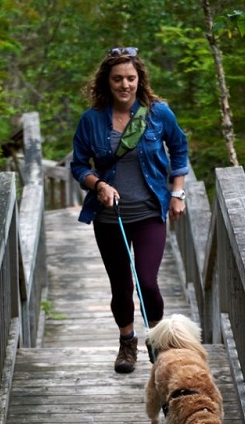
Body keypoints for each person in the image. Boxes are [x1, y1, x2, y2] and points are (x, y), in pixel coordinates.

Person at [70, 46, 190, 373]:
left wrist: (178, 193)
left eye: (131, 78)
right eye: (118, 79)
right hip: (110, 217)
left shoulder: (158, 113)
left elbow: (179, 150)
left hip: (150, 211)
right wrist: (99, 185)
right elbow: (79, 164)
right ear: (107, 82)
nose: (125, 85)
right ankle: (127, 342)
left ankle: (159, 343)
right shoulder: (91, 120)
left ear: (140, 80)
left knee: (147, 282)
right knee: (121, 286)